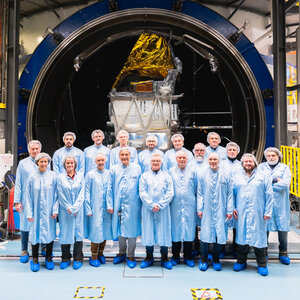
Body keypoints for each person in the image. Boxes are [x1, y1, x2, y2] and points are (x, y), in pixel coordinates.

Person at [233, 153, 274, 276]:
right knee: (242, 237)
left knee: (259, 239)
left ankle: (262, 264)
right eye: (246, 162)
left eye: (250, 162)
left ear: (255, 163)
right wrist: (233, 207)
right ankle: (241, 262)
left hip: (258, 212)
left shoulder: (263, 176)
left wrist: (268, 211)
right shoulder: (237, 176)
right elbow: (232, 194)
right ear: (242, 164)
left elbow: (269, 194)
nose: (248, 163)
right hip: (241, 211)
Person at [106, 148, 141, 268]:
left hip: (133, 205)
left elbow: (140, 187)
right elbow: (109, 188)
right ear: (119, 156)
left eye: (126, 154)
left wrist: (140, 204)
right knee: (120, 231)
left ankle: (131, 255)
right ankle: (121, 253)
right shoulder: (114, 169)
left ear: (130, 156)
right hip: (118, 205)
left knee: (132, 231)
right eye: (122, 155)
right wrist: (110, 204)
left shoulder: (137, 168)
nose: (124, 157)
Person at [197, 153, 233, 271]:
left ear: (219, 161)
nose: (213, 161)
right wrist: (200, 208)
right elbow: (200, 192)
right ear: (208, 160)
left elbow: (229, 194)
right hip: (207, 209)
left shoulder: (225, 174)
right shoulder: (203, 173)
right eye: (211, 159)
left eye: (215, 159)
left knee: (220, 234)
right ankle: (203, 259)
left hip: (221, 209)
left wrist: (229, 210)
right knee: (205, 234)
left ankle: (216, 259)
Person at [24, 153, 58, 272]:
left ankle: (48, 258)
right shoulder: (32, 177)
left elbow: (56, 195)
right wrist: (29, 213)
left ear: (48, 163)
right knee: (35, 235)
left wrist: (55, 210)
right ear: (37, 162)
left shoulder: (53, 176)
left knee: (49, 233)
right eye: (41, 162)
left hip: (49, 212)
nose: (43, 164)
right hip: (36, 212)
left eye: (45, 162)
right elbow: (27, 196)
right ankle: (35, 259)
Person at [139, 153, 174, 270]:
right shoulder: (144, 176)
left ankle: (165, 257)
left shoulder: (167, 177)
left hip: (162, 210)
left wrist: (160, 205)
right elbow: (142, 192)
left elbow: (170, 193)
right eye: (153, 161)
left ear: (161, 163)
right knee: (148, 232)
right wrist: (151, 205)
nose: (155, 163)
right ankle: (149, 256)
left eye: (158, 161)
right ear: (150, 162)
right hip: (148, 210)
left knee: (163, 232)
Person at [258, 147, 292, 265]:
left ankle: (283, 251)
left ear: (278, 157)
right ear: (266, 157)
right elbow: (259, 181)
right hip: (266, 201)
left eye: (273, 156)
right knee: (265, 226)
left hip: (281, 202)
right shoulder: (261, 167)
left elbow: (285, 183)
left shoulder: (285, 168)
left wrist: (269, 186)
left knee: (282, 226)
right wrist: (275, 179)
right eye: (269, 156)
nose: (271, 157)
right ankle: (264, 251)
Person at [14, 140, 42, 263]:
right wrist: (17, 201)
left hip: (41, 199)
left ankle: (44, 248)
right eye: (33, 149)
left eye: (37, 149)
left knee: (41, 224)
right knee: (25, 225)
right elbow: (18, 183)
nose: (35, 151)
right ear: (29, 149)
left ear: (40, 149)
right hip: (25, 199)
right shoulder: (23, 164)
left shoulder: (44, 162)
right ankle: (24, 250)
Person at [169, 151, 198, 267]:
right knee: (175, 230)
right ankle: (175, 256)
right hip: (175, 205)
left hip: (189, 205)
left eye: (184, 158)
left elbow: (196, 187)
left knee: (189, 230)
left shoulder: (192, 171)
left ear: (187, 159)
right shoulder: (171, 171)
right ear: (176, 159)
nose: (181, 160)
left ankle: (188, 256)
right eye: (179, 158)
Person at [57, 156, 85, 270]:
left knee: (78, 233)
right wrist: (68, 207)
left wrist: (75, 207)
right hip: (65, 210)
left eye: (71, 163)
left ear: (75, 164)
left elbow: (82, 192)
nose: (69, 165)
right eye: (67, 163)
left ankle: (78, 258)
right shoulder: (60, 177)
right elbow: (60, 194)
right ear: (64, 165)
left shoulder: (80, 176)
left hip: (78, 210)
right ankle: (65, 258)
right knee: (65, 233)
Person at [85, 153, 112, 267]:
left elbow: (111, 190)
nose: (101, 162)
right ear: (95, 162)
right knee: (96, 231)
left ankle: (101, 253)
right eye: (98, 160)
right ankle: (94, 256)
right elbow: (86, 192)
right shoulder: (90, 175)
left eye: (102, 160)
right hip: (95, 207)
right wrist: (88, 208)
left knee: (104, 230)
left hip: (106, 207)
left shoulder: (109, 174)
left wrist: (111, 205)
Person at [220, 141, 243, 255]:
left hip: (238, 196)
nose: (232, 152)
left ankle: (236, 247)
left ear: (237, 152)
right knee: (223, 221)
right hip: (224, 196)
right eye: (230, 150)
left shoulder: (241, 164)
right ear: (226, 151)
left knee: (237, 222)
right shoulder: (221, 164)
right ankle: (221, 247)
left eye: (234, 150)